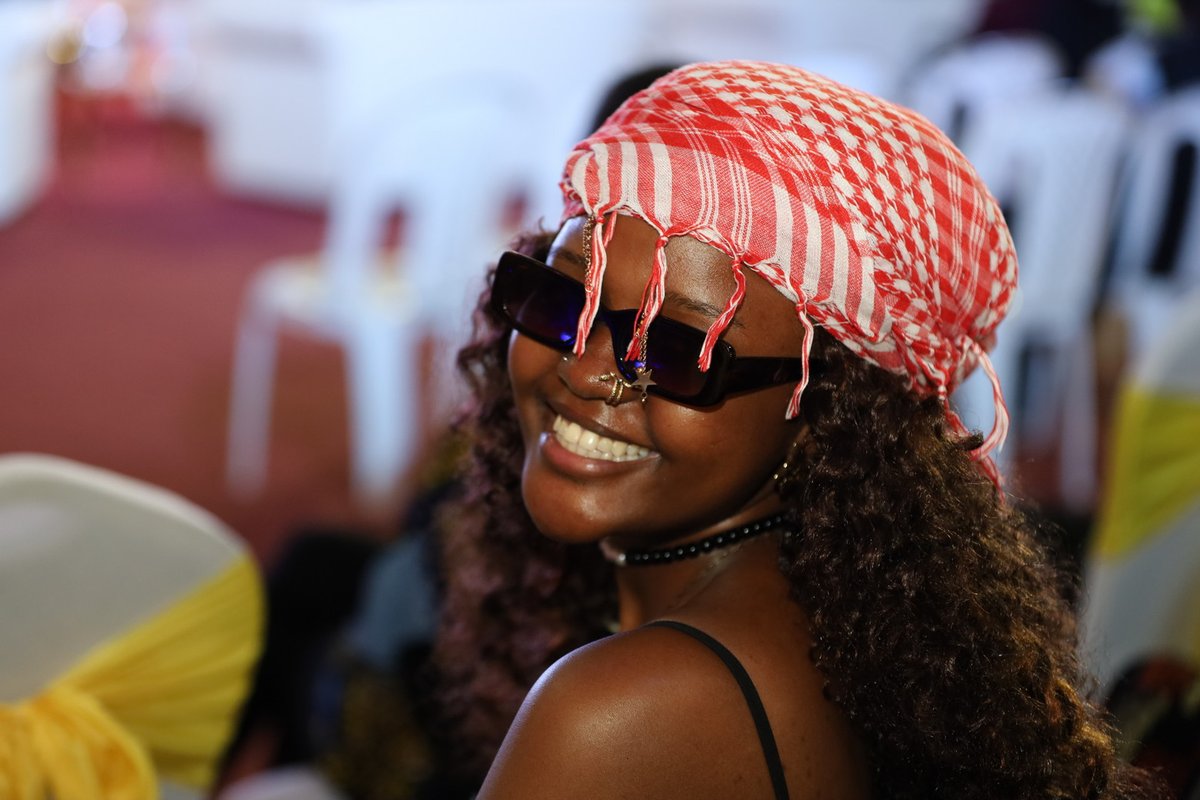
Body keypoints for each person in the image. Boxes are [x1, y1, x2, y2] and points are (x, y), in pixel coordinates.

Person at [435, 61, 1159, 799]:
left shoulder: (614, 709)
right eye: (563, 299)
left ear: (827, 412)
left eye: (679, 349)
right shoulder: (850, 630)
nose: (586, 372)